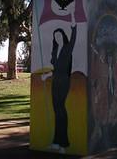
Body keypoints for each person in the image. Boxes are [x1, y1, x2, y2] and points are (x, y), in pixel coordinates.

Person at [50, 14, 77, 153]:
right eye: (55, 37)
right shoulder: (55, 51)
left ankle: (64, 143)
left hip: (64, 82)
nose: (57, 38)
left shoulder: (67, 48)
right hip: (55, 82)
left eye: (59, 36)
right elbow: (55, 69)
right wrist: (47, 76)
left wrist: (73, 24)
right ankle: (56, 141)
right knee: (56, 111)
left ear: (63, 36)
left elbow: (73, 38)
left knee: (61, 110)